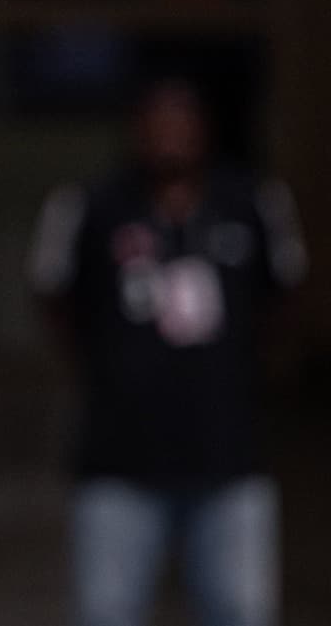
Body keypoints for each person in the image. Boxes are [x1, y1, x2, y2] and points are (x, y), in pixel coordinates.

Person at [29, 79, 305, 626]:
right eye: (158, 120)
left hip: (230, 461)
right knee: (107, 611)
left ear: (207, 128)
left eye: (183, 119)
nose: (170, 133)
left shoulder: (251, 203)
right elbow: (55, 300)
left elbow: (285, 299)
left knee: (240, 609)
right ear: (135, 129)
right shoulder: (92, 207)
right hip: (118, 462)